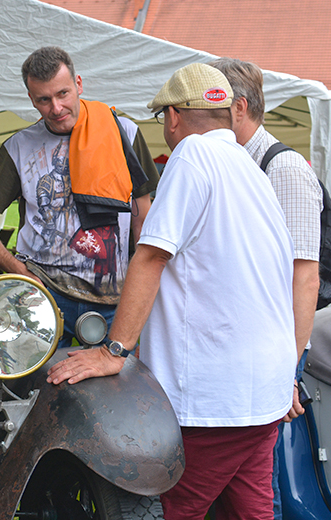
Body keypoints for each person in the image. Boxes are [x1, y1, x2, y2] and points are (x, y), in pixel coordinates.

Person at [47, 63, 297, 518]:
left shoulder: (193, 155)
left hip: (216, 394)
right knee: (251, 510)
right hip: (264, 391)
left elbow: (151, 256)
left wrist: (113, 350)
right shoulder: (252, 170)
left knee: (178, 508)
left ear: (175, 117)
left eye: (164, 118)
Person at [0, 46, 159, 348]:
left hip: (111, 299)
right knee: (30, 390)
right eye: (44, 99)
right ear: (31, 99)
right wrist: (20, 272)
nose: (56, 108)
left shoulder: (124, 132)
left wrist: (138, 289)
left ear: (79, 84)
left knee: (110, 391)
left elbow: (142, 219)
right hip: (43, 297)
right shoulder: (18, 148)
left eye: (63, 94)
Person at [210, 57, 322, 520]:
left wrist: (287, 372)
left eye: (208, 110)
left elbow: (304, 277)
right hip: (241, 358)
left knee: (262, 491)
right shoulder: (232, 165)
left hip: (271, 362)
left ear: (237, 108)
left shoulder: (284, 168)